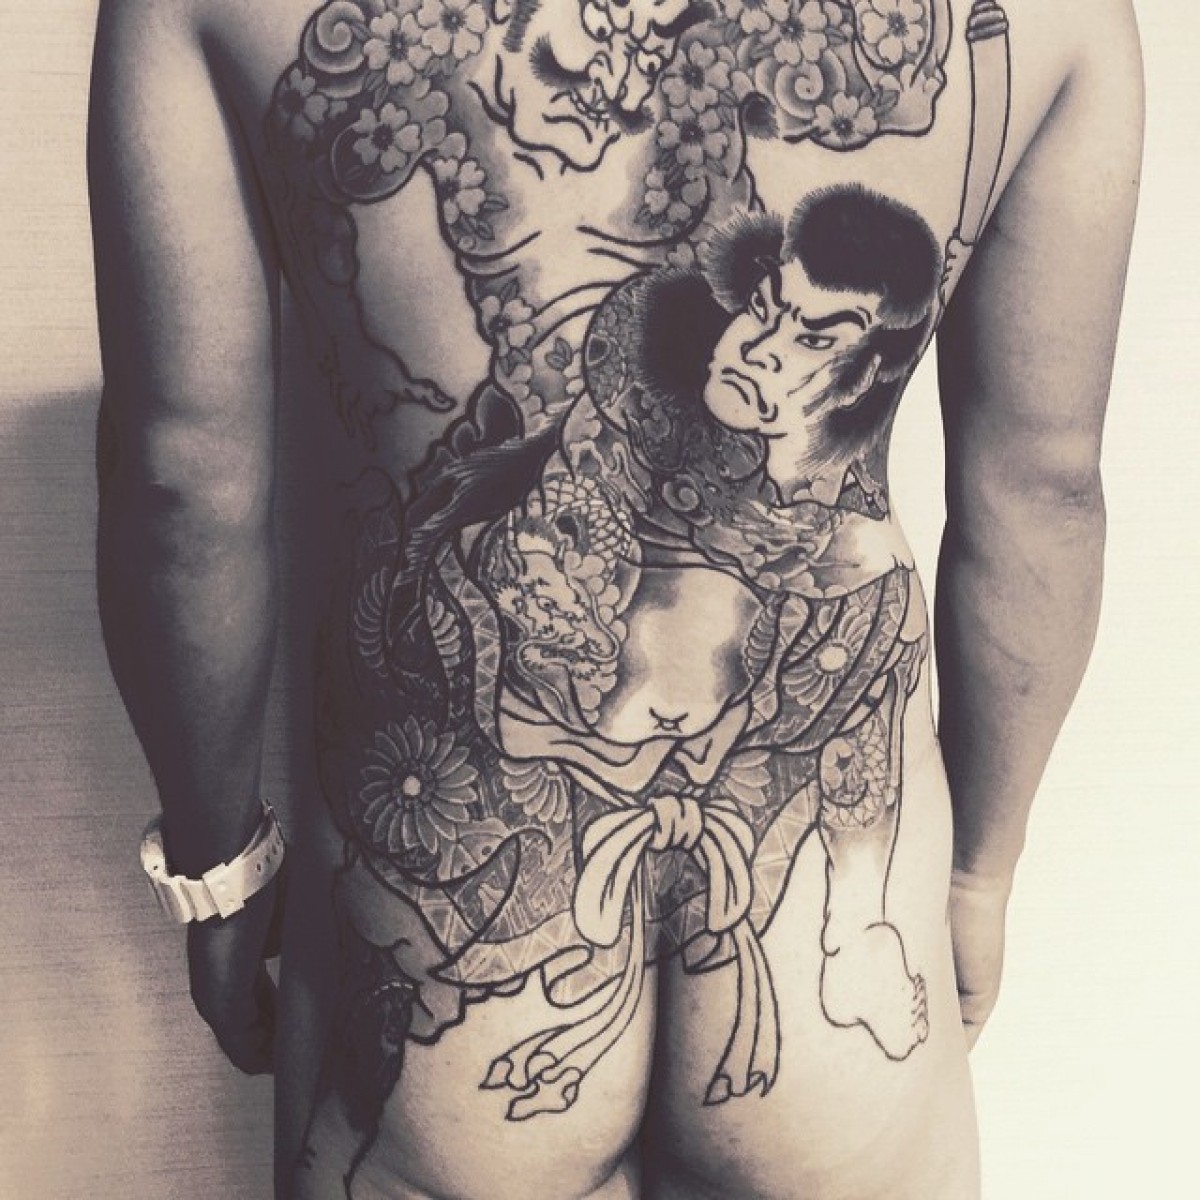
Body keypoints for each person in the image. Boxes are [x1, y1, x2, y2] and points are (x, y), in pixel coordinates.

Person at [90, 0, 1142, 1196]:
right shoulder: (1062, 21)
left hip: (450, 1004)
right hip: (819, 999)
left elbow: (180, 487)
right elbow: (1041, 495)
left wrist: (221, 872)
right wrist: (976, 876)